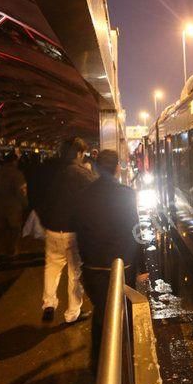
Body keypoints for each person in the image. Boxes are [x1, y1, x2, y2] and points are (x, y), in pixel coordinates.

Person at [72, 150, 146, 369]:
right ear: (117, 168)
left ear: (95, 167)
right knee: (123, 311)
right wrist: (140, 264)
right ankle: (125, 362)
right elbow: (135, 229)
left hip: (94, 267)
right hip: (123, 264)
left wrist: (86, 260)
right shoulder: (126, 193)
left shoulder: (84, 194)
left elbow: (79, 231)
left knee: (101, 313)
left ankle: (98, 364)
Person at [41, 138, 97, 323]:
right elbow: (96, 196)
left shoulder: (49, 170)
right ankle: (73, 313)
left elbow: (36, 195)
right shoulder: (82, 173)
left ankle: (49, 304)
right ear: (79, 153)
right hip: (73, 231)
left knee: (52, 267)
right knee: (75, 273)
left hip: (52, 229)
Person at [0, 153, 27, 265]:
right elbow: (21, 191)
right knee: (14, 230)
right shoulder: (17, 174)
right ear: (14, 161)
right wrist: (25, 203)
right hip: (13, 207)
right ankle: (10, 252)